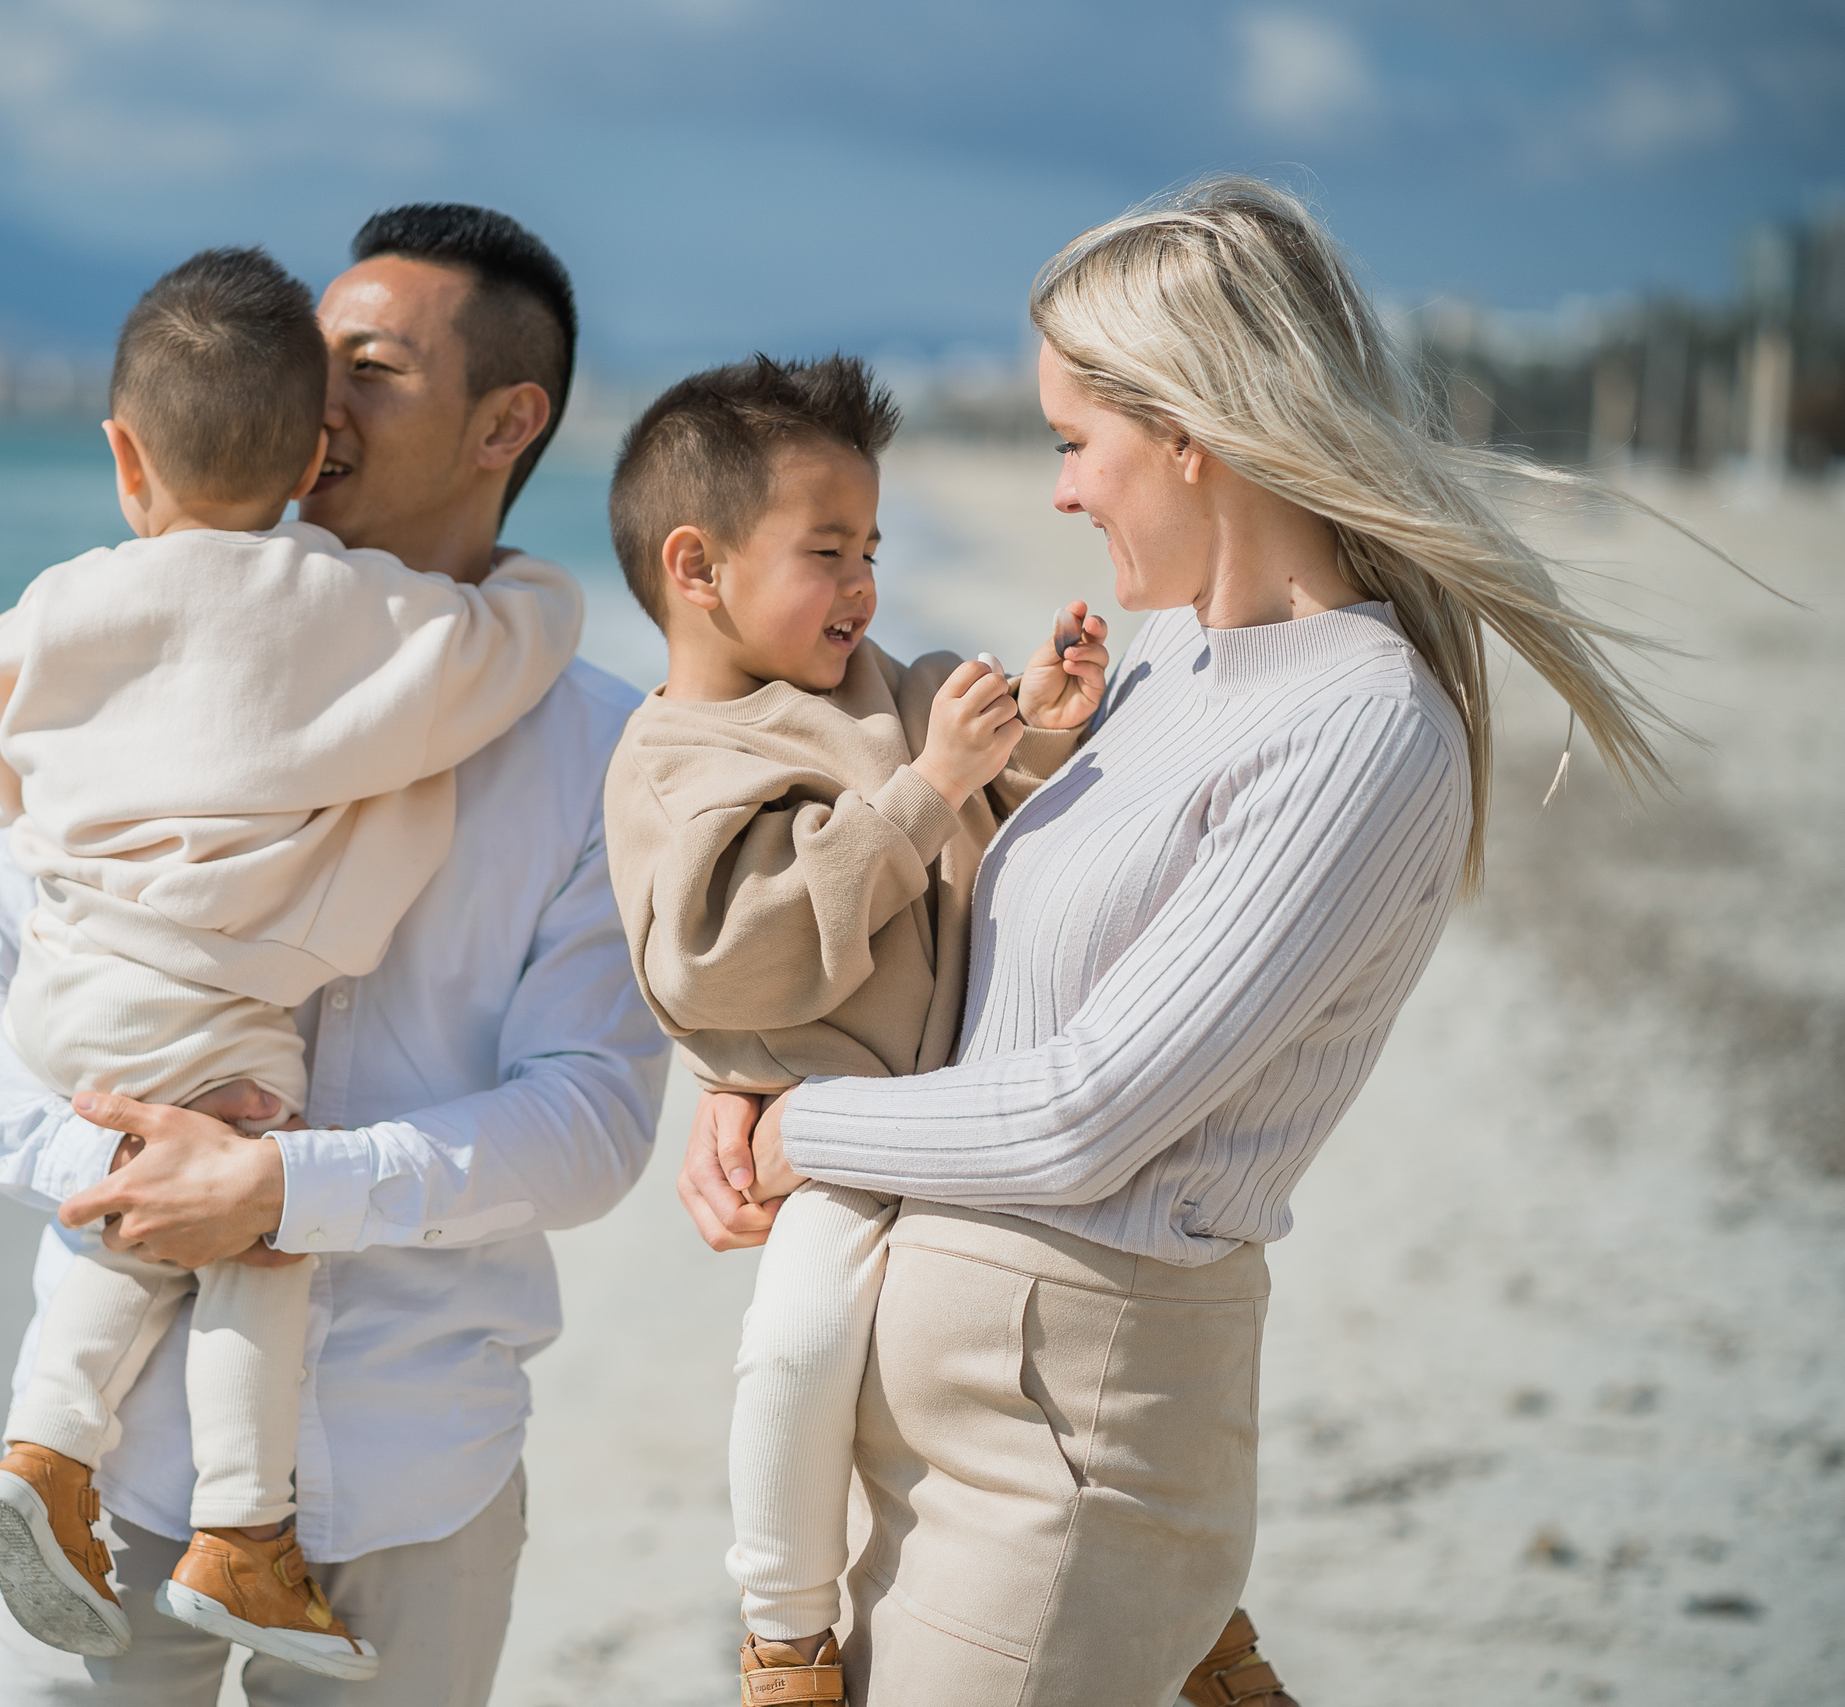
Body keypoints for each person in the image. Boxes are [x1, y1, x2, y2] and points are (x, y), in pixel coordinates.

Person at [678, 177, 1693, 1706]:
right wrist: (758, 1082)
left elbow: (1086, 1113)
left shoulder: (1362, 726)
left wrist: (796, 1129)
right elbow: (1005, 994)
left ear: (1190, 433)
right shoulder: (1172, 658)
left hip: (1058, 1452)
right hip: (931, 1433)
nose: (1062, 494)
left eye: (1071, 442)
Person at [0, 204, 670, 1707]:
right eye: (312, 365)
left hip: (414, 1481)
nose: (317, 401)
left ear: (507, 421)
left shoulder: (598, 748)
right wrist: (105, 1165)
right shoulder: (143, 658)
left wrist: (283, 1189)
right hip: (107, 1481)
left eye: (370, 369)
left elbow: (592, 1121)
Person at [598, 352, 1102, 1704]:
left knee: (1072, 1382)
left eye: (872, 549)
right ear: (697, 568)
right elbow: (724, 958)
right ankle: (784, 1628)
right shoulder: (677, 765)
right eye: (827, 552)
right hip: (829, 1141)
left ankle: (1205, 1628)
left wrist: (1042, 729)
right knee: (798, 1343)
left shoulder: (898, 690)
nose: (864, 584)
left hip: (972, 1102)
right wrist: (922, 793)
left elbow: (1018, 811)